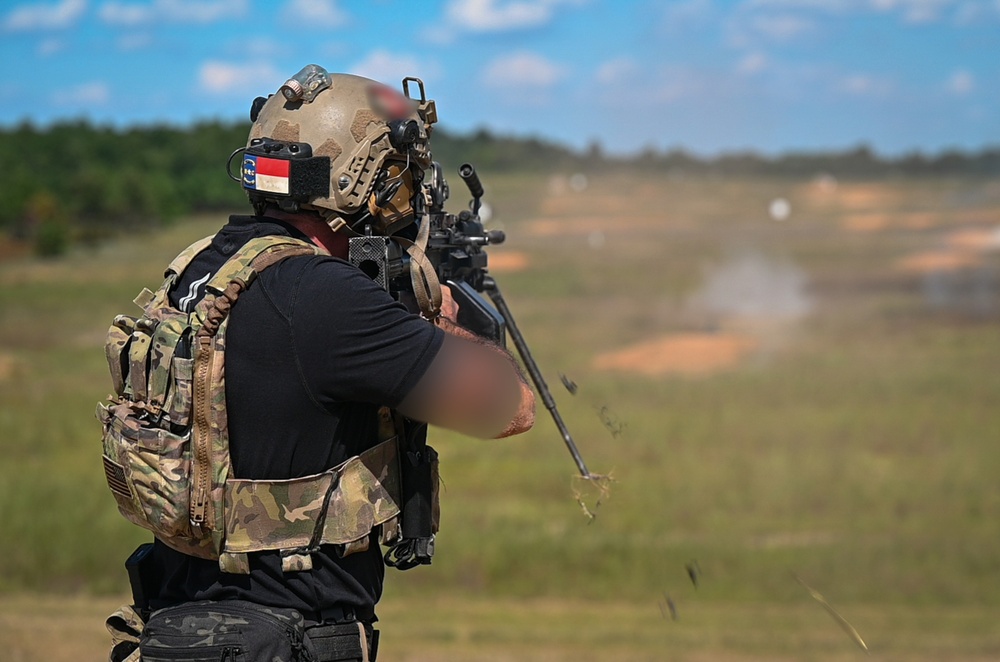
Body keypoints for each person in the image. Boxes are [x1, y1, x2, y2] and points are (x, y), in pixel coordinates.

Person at [103, 65, 535, 662]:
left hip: (177, 627)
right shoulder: (324, 299)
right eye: (397, 178)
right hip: (285, 638)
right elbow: (507, 407)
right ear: (365, 181)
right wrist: (439, 315)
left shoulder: (205, 269)